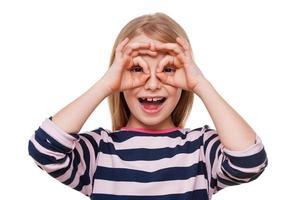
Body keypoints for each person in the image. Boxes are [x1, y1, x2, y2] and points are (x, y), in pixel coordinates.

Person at [28, 12, 268, 200]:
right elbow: (44, 150)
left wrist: (200, 84)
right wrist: (105, 84)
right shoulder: (100, 151)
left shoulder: (201, 149)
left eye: (168, 69)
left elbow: (250, 161)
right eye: (136, 69)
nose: (152, 84)